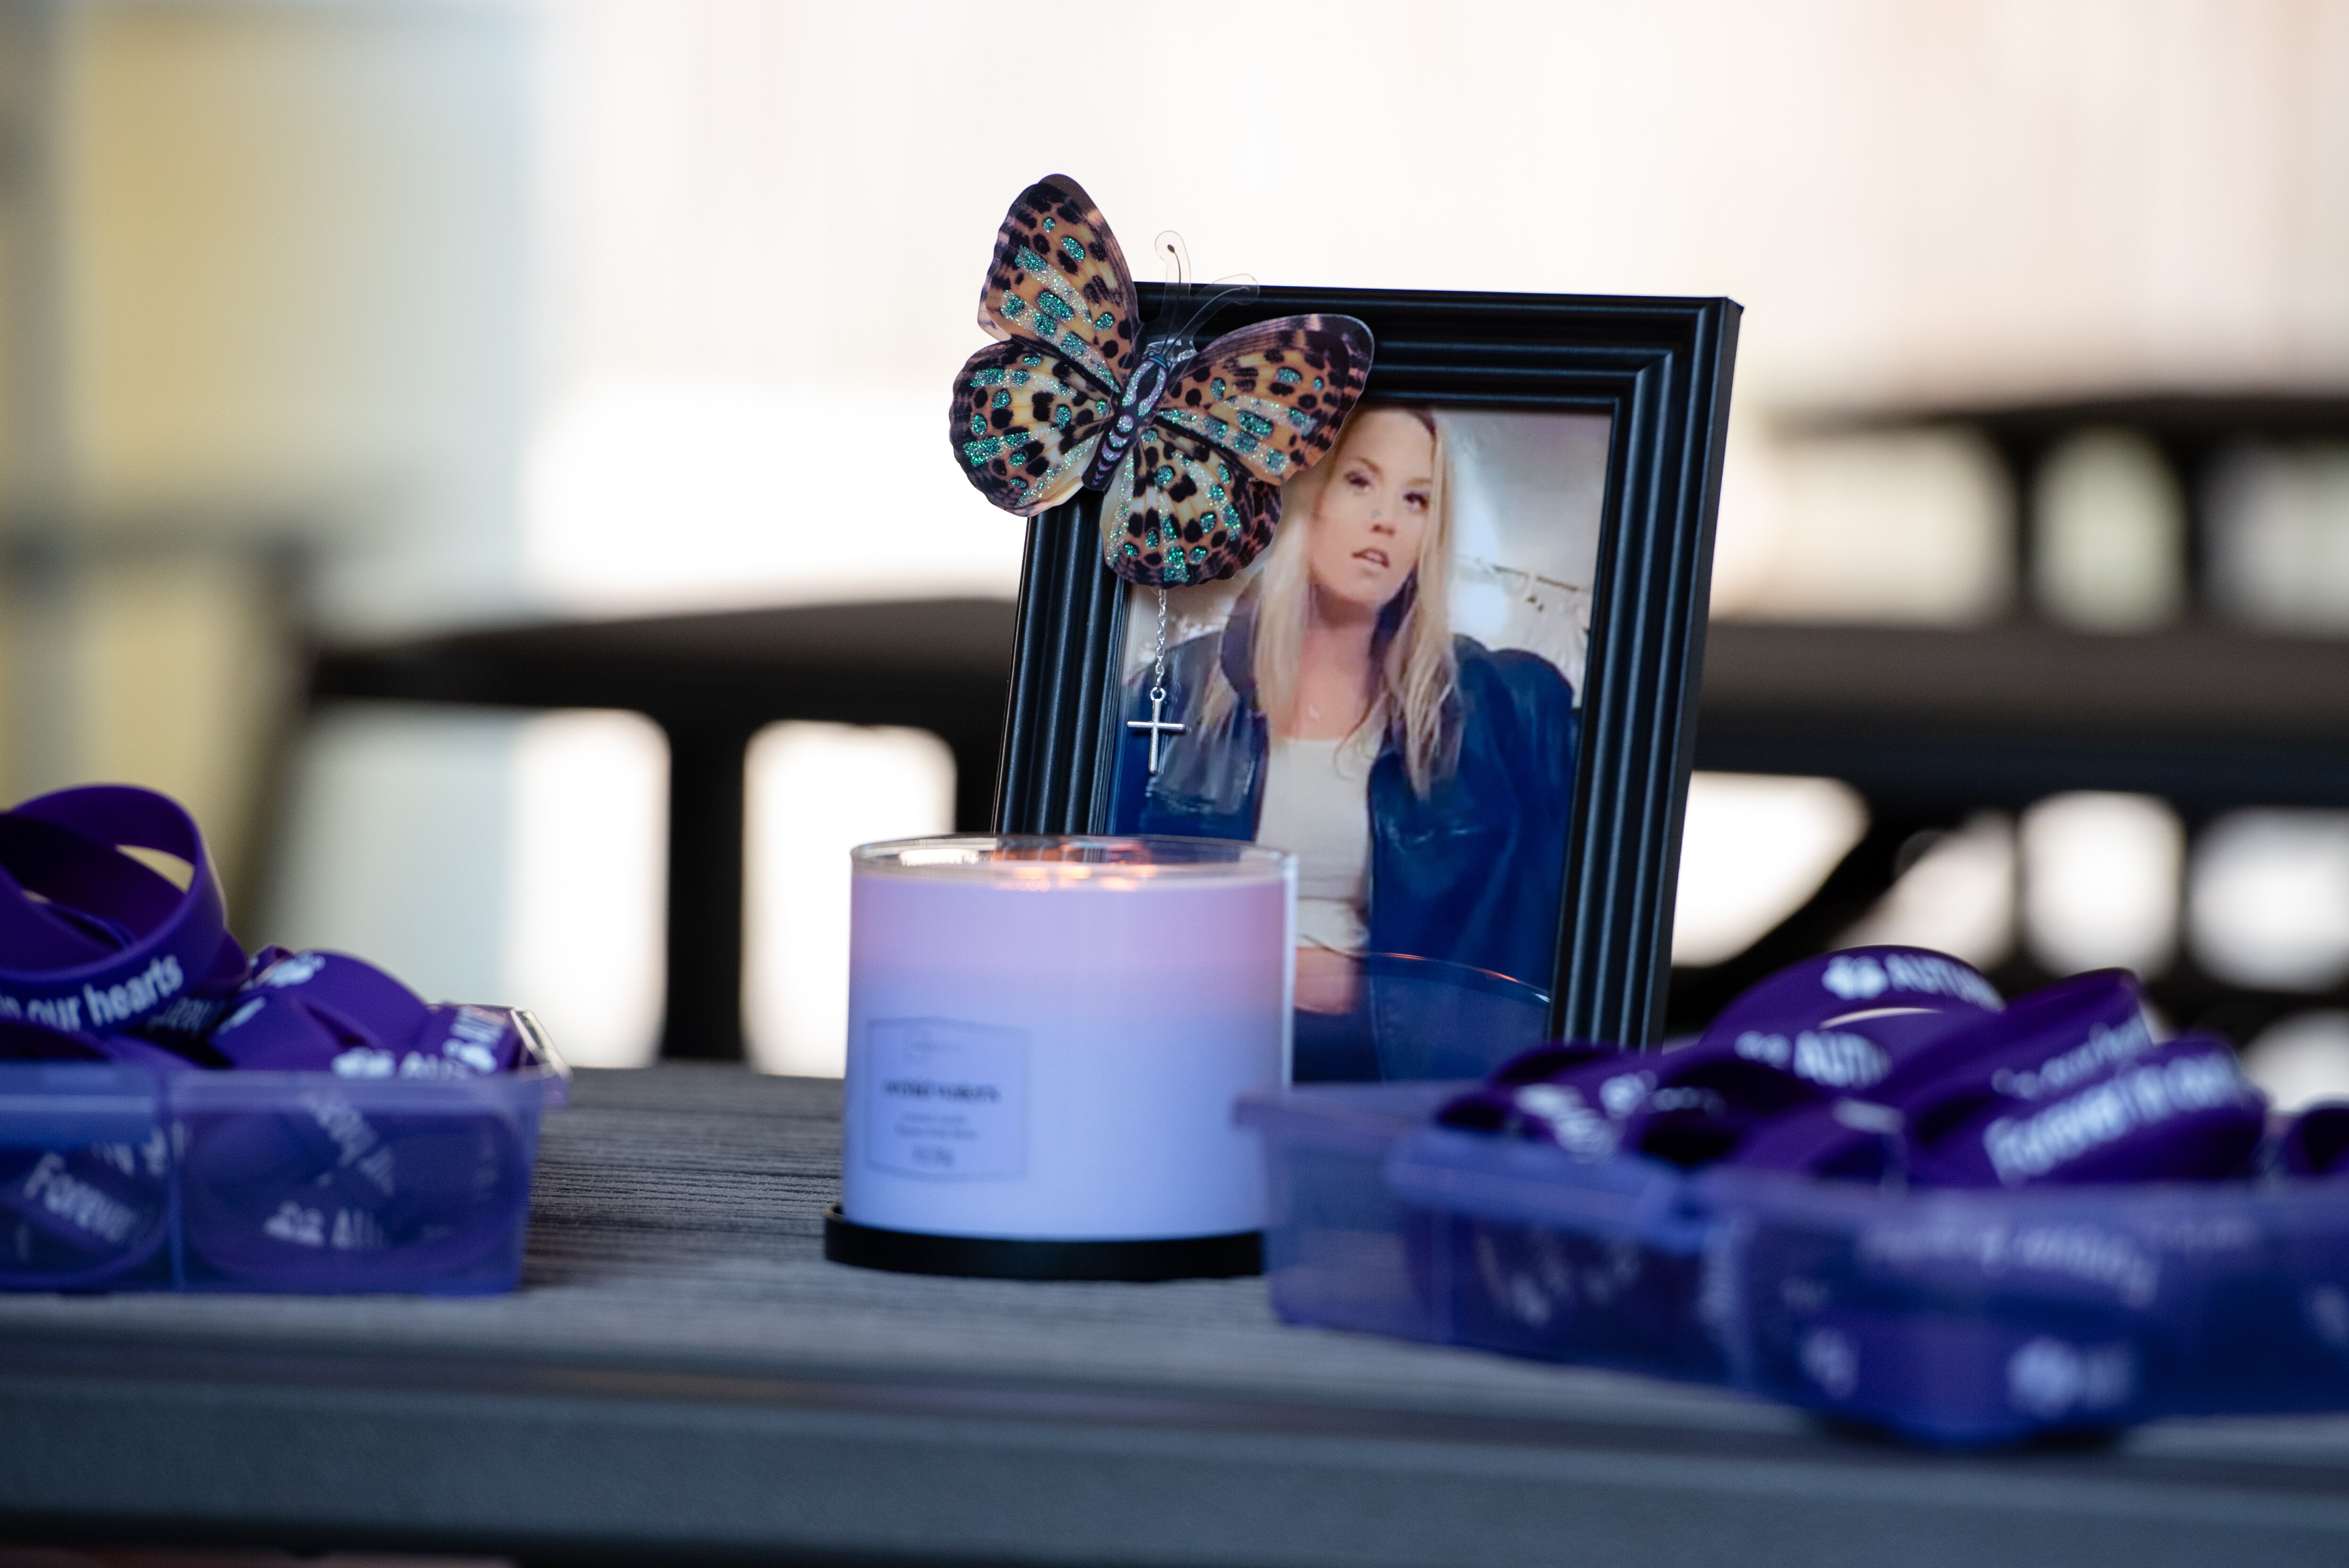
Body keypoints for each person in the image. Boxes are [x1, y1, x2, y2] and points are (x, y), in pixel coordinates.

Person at [1109, 406, 1578, 1077]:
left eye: (1416, 499)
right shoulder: (1176, 692)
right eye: (1359, 482)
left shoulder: (1492, 706)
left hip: (1386, 1072)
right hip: (1194, 1054)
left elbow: (1535, 930)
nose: (1387, 519)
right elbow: (1097, 909)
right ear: (1303, 495)